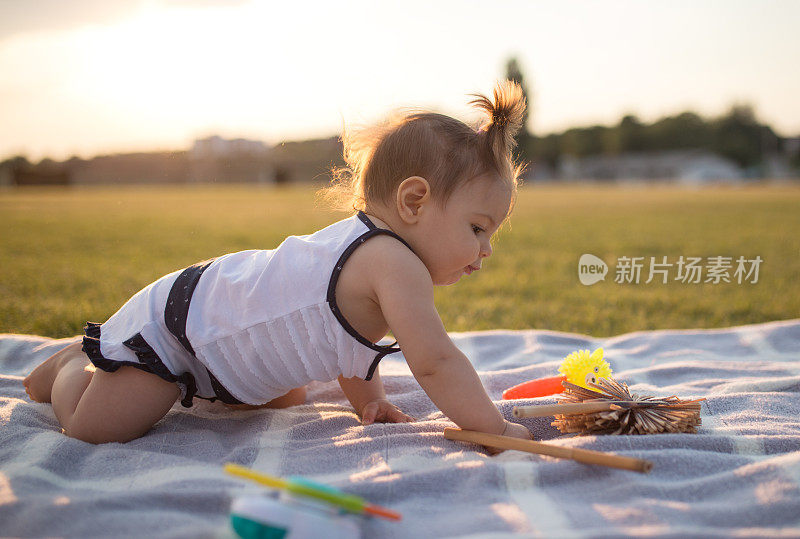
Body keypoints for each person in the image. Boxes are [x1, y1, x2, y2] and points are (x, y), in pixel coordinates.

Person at [23, 80, 534, 449]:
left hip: (224, 351)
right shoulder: (394, 263)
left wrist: (368, 402)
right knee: (98, 428)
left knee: (285, 400)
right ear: (414, 202)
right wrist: (490, 424)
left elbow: (345, 340)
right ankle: (75, 364)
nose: (486, 249)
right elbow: (436, 362)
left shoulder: (377, 257)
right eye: (477, 228)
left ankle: (105, 361)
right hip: (181, 330)